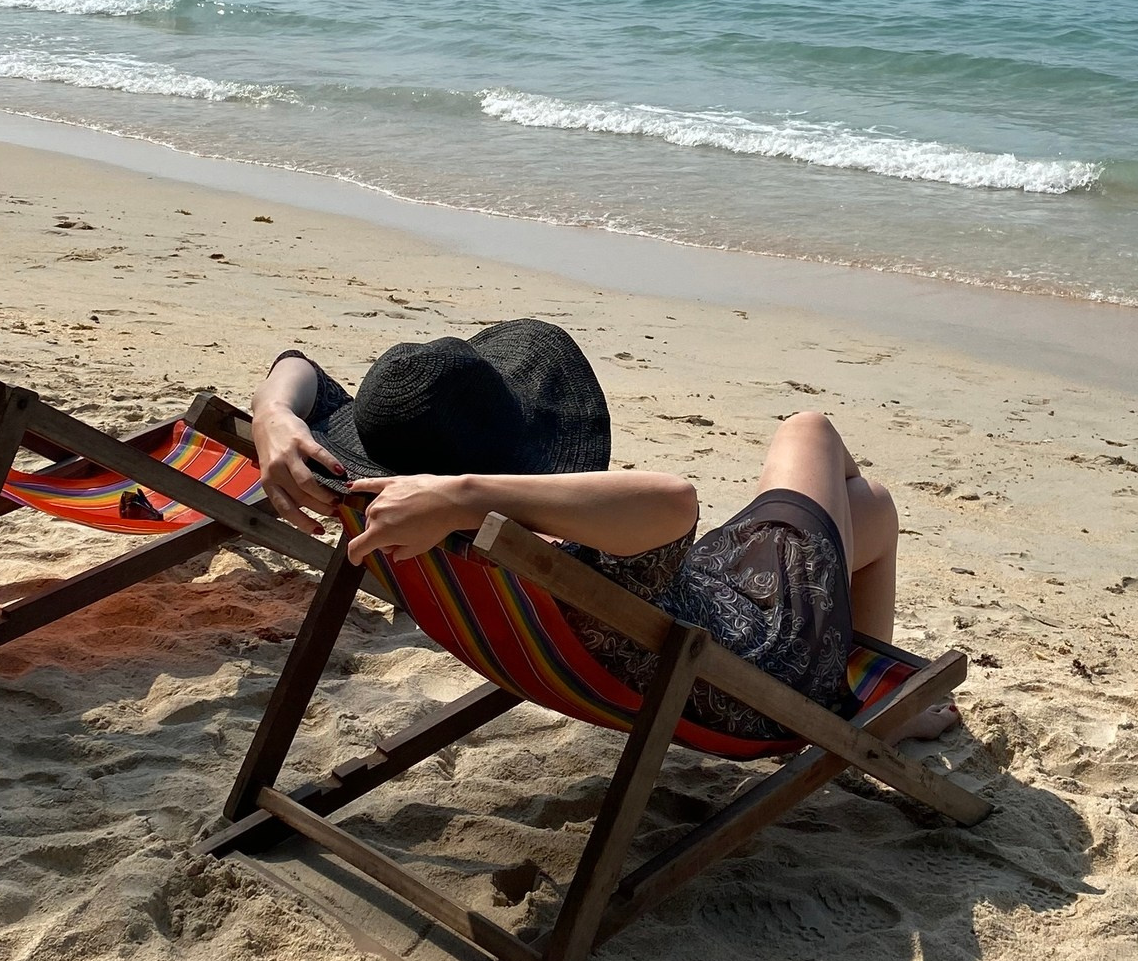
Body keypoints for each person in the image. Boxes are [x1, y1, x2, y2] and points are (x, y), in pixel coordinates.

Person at [250, 319, 957, 747]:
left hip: (677, 614)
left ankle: (883, 704)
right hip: (755, 663)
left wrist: (272, 416)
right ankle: (871, 707)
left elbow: (297, 369)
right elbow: (676, 499)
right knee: (810, 429)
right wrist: (463, 494)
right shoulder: (567, 543)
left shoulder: (373, 499)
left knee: (870, 506)